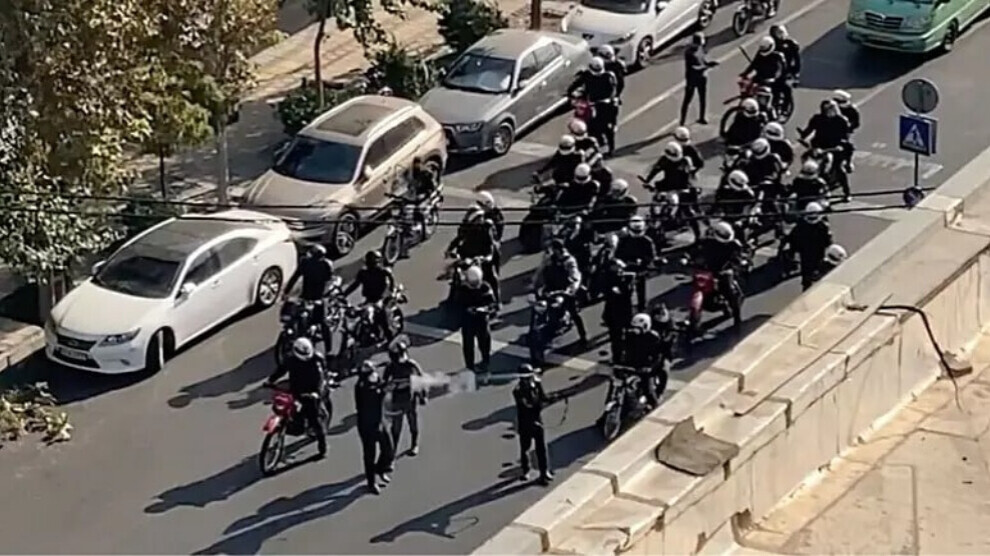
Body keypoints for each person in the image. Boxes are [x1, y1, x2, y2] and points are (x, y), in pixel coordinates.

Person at [265, 337, 327, 459]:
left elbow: (320, 378)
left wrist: (316, 393)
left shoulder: (316, 360)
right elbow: (281, 370)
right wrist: (270, 380)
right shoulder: (290, 359)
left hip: (311, 392)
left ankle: (323, 447)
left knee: (314, 419)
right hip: (296, 389)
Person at [690, 221, 747, 330]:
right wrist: (687, 258)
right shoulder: (707, 242)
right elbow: (695, 251)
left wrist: (738, 262)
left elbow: (739, 256)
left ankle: (737, 317)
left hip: (724, 272)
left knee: (730, 292)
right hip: (707, 271)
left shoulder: (734, 245)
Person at [531, 239, 589, 344]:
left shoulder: (569, 260)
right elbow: (540, 269)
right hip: (550, 288)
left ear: (557, 249)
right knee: (538, 307)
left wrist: (570, 290)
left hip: (564, 289)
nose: (550, 251)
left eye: (552, 248)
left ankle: (583, 336)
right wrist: (534, 282)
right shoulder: (550, 258)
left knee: (574, 313)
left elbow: (575, 275)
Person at [284, 244, 335, 350]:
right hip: (308, 296)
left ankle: (328, 350)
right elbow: (296, 276)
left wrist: (286, 292)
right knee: (296, 315)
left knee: (323, 323)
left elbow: (328, 282)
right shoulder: (315, 263)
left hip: (316, 297)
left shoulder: (316, 264)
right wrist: (287, 292)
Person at [799, 99, 853, 200]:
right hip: (818, 146)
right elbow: (809, 129)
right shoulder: (817, 119)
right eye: (828, 109)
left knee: (840, 169)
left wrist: (840, 145)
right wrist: (803, 137)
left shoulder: (842, 121)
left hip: (834, 148)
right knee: (805, 161)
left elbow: (845, 137)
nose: (831, 111)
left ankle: (847, 192)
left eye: (833, 108)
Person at [355, 361, 395, 494]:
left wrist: (386, 385)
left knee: (389, 449)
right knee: (369, 455)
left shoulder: (375, 379)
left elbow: (380, 385)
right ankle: (371, 483)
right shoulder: (362, 386)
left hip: (380, 421)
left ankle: (380, 469)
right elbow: (372, 398)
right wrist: (383, 391)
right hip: (367, 425)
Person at [448, 207, 501, 306]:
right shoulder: (466, 228)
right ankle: (451, 300)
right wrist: (449, 250)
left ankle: (497, 301)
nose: (480, 220)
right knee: (457, 275)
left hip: (481, 259)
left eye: (481, 218)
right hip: (467, 258)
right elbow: (458, 239)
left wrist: (485, 258)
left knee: (493, 277)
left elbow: (491, 249)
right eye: (477, 218)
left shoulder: (486, 229)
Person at [513, 364, 554, 484]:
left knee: (541, 448)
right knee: (525, 448)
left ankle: (544, 472)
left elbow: (543, 397)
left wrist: (553, 398)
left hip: (537, 420)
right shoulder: (518, 391)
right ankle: (526, 470)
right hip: (525, 422)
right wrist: (540, 404)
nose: (528, 380)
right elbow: (528, 405)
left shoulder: (536, 384)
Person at [567, 58, 618, 155]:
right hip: (591, 104)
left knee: (608, 127)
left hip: (605, 104)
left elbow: (614, 91)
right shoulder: (587, 75)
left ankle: (611, 147)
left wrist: (610, 100)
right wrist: (572, 93)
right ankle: (597, 143)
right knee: (590, 125)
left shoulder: (608, 76)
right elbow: (576, 84)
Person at [383, 338, 425, 456]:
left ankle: (414, 444)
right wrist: (390, 387)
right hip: (396, 398)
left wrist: (422, 395)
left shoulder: (411, 364)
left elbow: (420, 379)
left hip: (410, 398)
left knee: (412, 421)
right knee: (396, 426)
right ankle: (393, 450)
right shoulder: (390, 367)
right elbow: (384, 383)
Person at [779, 202, 834, 290]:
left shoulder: (801, 225)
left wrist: (791, 251)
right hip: (815, 254)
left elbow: (792, 240)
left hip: (807, 254)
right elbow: (828, 241)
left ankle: (807, 285)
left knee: (808, 272)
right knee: (815, 272)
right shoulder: (823, 226)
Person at [343, 250, 396, 340]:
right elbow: (355, 284)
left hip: (380, 299)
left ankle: (390, 338)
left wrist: (391, 292)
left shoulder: (383, 272)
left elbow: (391, 282)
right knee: (361, 315)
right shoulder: (363, 273)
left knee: (383, 320)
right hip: (369, 299)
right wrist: (344, 294)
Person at [618, 313, 667, 407]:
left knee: (648, 391)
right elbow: (624, 349)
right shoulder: (629, 336)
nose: (634, 330)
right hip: (631, 365)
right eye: (633, 327)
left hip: (645, 367)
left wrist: (650, 367)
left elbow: (658, 355)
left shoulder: (653, 337)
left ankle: (655, 406)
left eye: (637, 328)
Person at [615, 216, 657, 311]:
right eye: (635, 230)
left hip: (641, 269)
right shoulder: (624, 240)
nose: (637, 233)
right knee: (625, 291)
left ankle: (642, 307)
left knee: (641, 289)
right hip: (627, 269)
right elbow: (617, 255)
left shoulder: (647, 241)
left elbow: (652, 256)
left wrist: (646, 262)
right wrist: (621, 263)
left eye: (639, 231)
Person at [460, 266, 497, 372]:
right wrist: (467, 310)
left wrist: (485, 309)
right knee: (468, 344)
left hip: (482, 319)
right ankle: (469, 366)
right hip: (468, 321)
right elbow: (456, 305)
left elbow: (492, 303)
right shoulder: (462, 289)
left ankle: (486, 361)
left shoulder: (485, 287)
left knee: (484, 342)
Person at [681, 32, 718, 126]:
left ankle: (702, 117)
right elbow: (695, 67)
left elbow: (702, 61)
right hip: (692, 79)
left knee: (703, 97)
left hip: (702, 77)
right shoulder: (689, 53)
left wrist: (708, 63)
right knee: (687, 100)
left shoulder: (700, 49)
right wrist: (707, 67)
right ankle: (682, 122)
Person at [602, 258, 635, 363]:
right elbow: (620, 293)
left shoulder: (624, 277)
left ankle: (624, 356)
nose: (621, 269)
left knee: (625, 336)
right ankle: (618, 358)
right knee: (617, 338)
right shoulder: (609, 279)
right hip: (615, 313)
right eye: (618, 267)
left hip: (623, 312)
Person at [740, 36, 786, 109]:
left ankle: (773, 107)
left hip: (772, 78)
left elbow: (781, 70)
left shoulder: (778, 56)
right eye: (762, 48)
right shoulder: (760, 53)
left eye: (765, 48)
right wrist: (745, 73)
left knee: (775, 91)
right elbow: (754, 64)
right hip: (761, 76)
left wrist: (775, 78)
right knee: (748, 88)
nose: (763, 50)